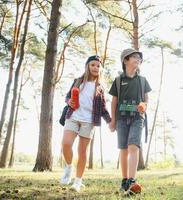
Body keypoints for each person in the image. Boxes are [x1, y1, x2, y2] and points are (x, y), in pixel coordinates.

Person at [60, 55, 111, 192]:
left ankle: (77, 181)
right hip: (73, 116)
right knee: (66, 144)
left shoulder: (100, 87)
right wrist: (68, 101)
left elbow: (103, 109)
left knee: (82, 151)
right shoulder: (78, 81)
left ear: (100, 69)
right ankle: (69, 167)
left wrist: (110, 122)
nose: (95, 67)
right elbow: (67, 96)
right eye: (92, 65)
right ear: (87, 66)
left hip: (89, 121)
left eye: (98, 66)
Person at [109, 48, 152, 194]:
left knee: (133, 146)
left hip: (137, 119)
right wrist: (113, 120)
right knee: (123, 149)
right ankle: (124, 180)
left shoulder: (142, 80)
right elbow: (114, 101)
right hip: (121, 118)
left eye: (140, 58)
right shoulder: (118, 80)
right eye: (134, 57)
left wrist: (144, 105)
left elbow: (146, 98)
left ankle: (132, 180)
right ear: (125, 60)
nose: (138, 59)